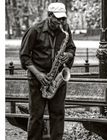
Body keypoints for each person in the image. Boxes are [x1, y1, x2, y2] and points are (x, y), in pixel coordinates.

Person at [19, 2, 76, 140]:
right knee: (36, 116)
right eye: (58, 19)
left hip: (57, 79)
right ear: (49, 15)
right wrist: (39, 75)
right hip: (37, 79)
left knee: (58, 114)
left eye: (63, 19)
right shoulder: (35, 30)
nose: (61, 22)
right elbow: (24, 56)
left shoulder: (65, 29)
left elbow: (71, 48)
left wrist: (68, 55)